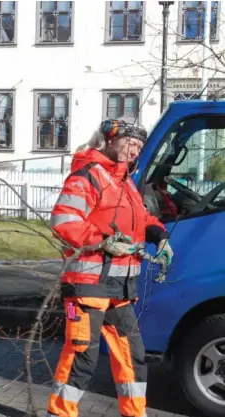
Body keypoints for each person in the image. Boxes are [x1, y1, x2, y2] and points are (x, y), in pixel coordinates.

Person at [45, 117, 174, 417]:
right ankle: (60, 413)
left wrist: (160, 237)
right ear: (110, 140)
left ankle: (134, 413)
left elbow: (142, 219)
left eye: (139, 146)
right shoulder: (87, 176)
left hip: (119, 289)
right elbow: (64, 221)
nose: (135, 150)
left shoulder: (124, 182)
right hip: (86, 286)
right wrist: (103, 241)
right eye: (130, 143)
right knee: (82, 355)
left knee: (132, 355)